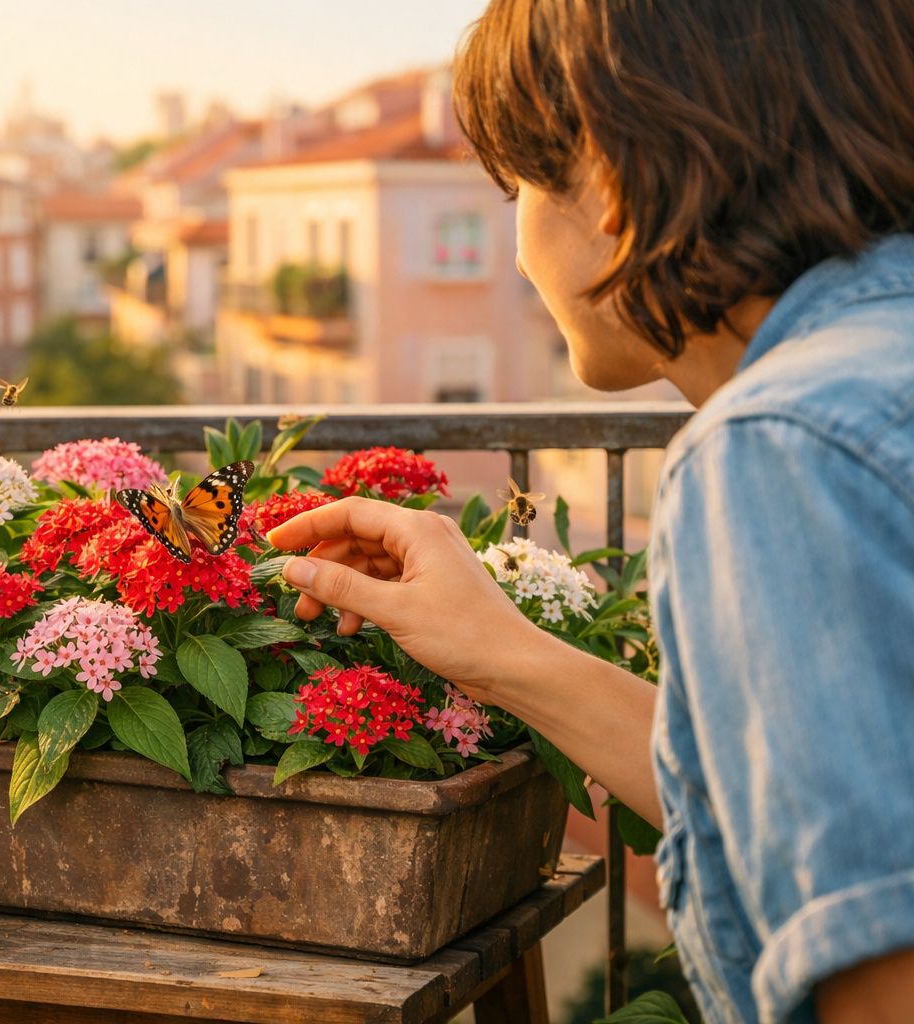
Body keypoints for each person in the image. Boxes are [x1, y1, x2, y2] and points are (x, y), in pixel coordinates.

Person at [267, 2, 914, 1022]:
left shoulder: (781, 444)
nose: (520, 251)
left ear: (609, 177)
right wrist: (497, 648)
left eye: (518, 184)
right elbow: (779, 799)